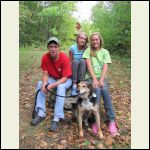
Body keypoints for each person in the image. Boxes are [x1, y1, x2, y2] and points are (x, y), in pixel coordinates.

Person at [31, 37, 72, 132]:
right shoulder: (45, 57)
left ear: (59, 48)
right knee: (40, 83)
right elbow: (45, 74)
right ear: (48, 48)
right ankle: (41, 113)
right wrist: (45, 83)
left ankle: (57, 118)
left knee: (61, 87)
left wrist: (51, 86)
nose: (53, 49)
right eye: (51, 46)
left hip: (65, 79)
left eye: (55, 46)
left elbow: (65, 78)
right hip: (53, 78)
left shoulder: (64, 58)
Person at [82, 32, 118, 137]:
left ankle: (111, 120)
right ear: (91, 41)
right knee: (96, 90)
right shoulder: (88, 51)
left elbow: (105, 66)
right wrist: (94, 79)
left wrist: (101, 79)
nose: (95, 41)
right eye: (93, 40)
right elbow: (88, 65)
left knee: (105, 90)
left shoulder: (105, 52)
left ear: (100, 40)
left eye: (96, 39)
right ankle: (93, 121)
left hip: (101, 77)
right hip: (90, 77)